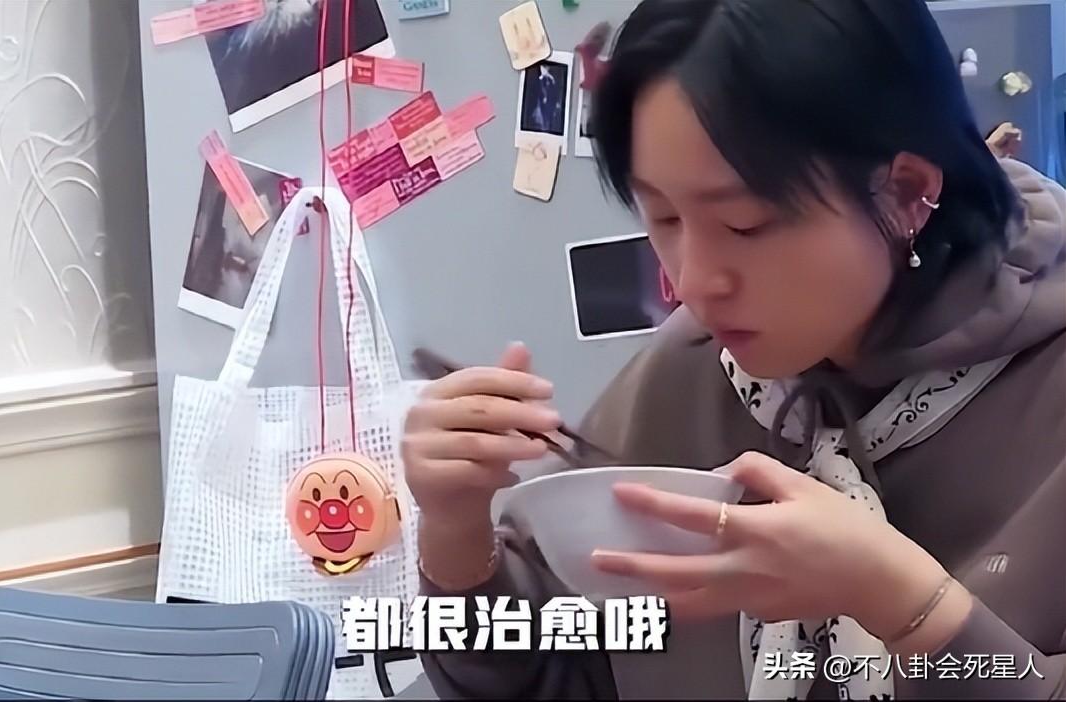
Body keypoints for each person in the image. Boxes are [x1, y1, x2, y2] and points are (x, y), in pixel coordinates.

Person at [402, 0, 1065, 698]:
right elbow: (549, 677)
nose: (693, 283)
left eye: (745, 225)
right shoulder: (689, 370)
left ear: (907, 193)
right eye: (663, 217)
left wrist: (905, 603)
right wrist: (453, 529)